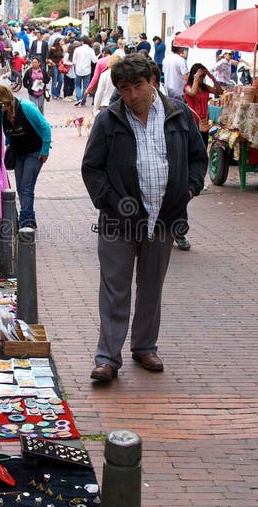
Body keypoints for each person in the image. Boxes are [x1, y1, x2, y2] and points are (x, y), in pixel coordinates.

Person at [81, 52, 208, 383]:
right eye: (124, 88)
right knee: (114, 290)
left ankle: (144, 346)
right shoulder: (109, 121)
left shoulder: (179, 116)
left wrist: (189, 190)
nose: (132, 95)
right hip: (118, 222)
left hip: (163, 218)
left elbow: (198, 158)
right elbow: (92, 169)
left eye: (137, 86)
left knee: (151, 287)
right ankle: (107, 358)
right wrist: (113, 203)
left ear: (152, 81)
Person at [0, 83, 51, 230]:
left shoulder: (26, 107)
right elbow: (6, 133)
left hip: (35, 151)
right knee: (21, 188)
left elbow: (45, 126)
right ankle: (30, 218)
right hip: (19, 152)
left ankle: (25, 220)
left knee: (26, 187)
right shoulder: (1, 114)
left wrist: (45, 150)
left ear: (3, 101)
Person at [184, 62, 223, 148]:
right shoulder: (188, 86)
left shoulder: (204, 87)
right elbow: (193, 93)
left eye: (203, 76)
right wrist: (196, 78)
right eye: (200, 76)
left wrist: (211, 76)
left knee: (204, 146)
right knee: (194, 147)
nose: (202, 78)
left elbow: (220, 92)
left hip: (204, 120)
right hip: (193, 120)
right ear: (194, 75)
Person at [72, 35, 97, 106]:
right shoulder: (91, 50)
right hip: (87, 70)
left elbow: (74, 61)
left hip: (78, 70)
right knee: (86, 86)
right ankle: (83, 100)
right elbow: (94, 60)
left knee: (77, 85)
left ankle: (78, 98)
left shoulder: (77, 49)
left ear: (82, 42)